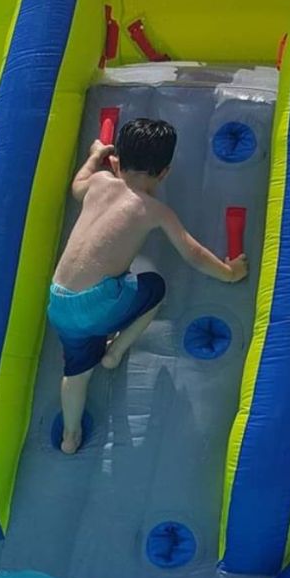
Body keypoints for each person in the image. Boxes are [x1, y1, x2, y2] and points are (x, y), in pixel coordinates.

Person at [48, 118, 249, 454]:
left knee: (76, 374)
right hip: (99, 304)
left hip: (59, 300)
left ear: (116, 161)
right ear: (165, 172)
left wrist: (94, 155)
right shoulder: (155, 211)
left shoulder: (98, 181)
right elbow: (193, 254)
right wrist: (229, 272)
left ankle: (70, 436)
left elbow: (77, 186)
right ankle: (115, 352)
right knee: (153, 288)